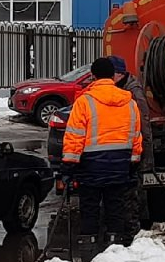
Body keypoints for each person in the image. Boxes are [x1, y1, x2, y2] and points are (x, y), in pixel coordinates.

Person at [61, 57, 143, 243]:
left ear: (93, 76)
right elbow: (136, 137)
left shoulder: (84, 102)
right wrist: (133, 163)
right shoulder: (130, 103)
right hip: (120, 165)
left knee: (90, 209)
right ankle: (114, 244)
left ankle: (89, 247)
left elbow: (74, 137)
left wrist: (68, 167)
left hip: (91, 166)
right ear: (113, 76)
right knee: (115, 208)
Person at [111, 54, 153, 233]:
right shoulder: (123, 90)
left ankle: (138, 228)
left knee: (134, 194)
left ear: (119, 74)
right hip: (125, 152)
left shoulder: (133, 92)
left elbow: (143, 124)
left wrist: (146, 157)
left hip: (133, 153)